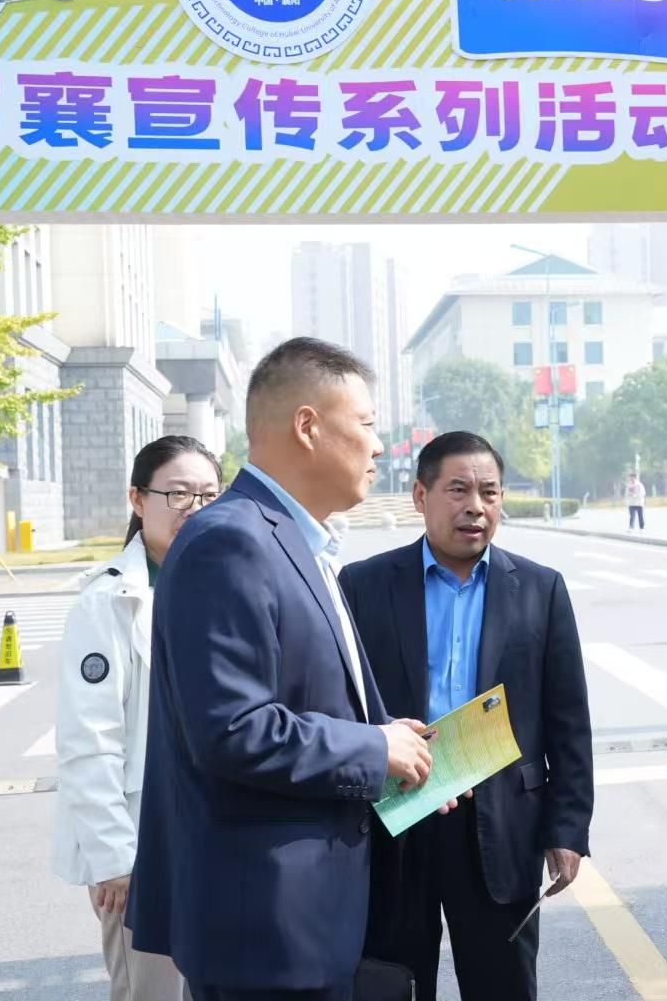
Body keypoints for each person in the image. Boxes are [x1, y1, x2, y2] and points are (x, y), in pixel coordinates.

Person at [129, 338, 454, 1001]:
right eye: (366, 424)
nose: (379, 446)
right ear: (308, 426)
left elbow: (301, 701)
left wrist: (394, 745)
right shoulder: (231, 540)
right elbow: (232, 729)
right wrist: (373, 748)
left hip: (305, 918)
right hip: (263, 931)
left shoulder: (293, 540)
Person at [340, 432, 593, 1001]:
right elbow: (342, 704)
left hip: (500, 823)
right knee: (392, 983)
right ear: (420, 496)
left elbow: (568, 722)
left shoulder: (540, 589)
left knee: (502, 985)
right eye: (457, 490)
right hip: (398, 815)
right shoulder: (364, 585)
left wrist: (568, 829)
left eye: (489, 492)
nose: (475, 507)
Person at [53, 435, 221, 1001]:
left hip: (215, 832)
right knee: (153, 992)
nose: (194, 508)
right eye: (178, 494)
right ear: (137, 499)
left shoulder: (226, 586)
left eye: (208, 495)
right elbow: (89, 739)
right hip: (142, 844)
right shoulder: (107, 603)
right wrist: (115, 859)